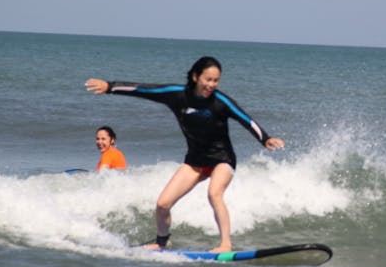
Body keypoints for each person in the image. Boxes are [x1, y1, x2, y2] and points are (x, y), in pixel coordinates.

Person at [85, 56, 284, 252]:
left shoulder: (220, 101)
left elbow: (245, 119)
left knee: (214, 193)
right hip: (195, 161)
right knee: (163, 204)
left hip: (222, 159)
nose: (212, 85)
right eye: (208, 79)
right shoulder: (177, 95)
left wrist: (265, 139)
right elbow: (144, 90)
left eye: (216, 80)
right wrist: (110, 87)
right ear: (196, 77)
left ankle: (225, 244)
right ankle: (161, 242)